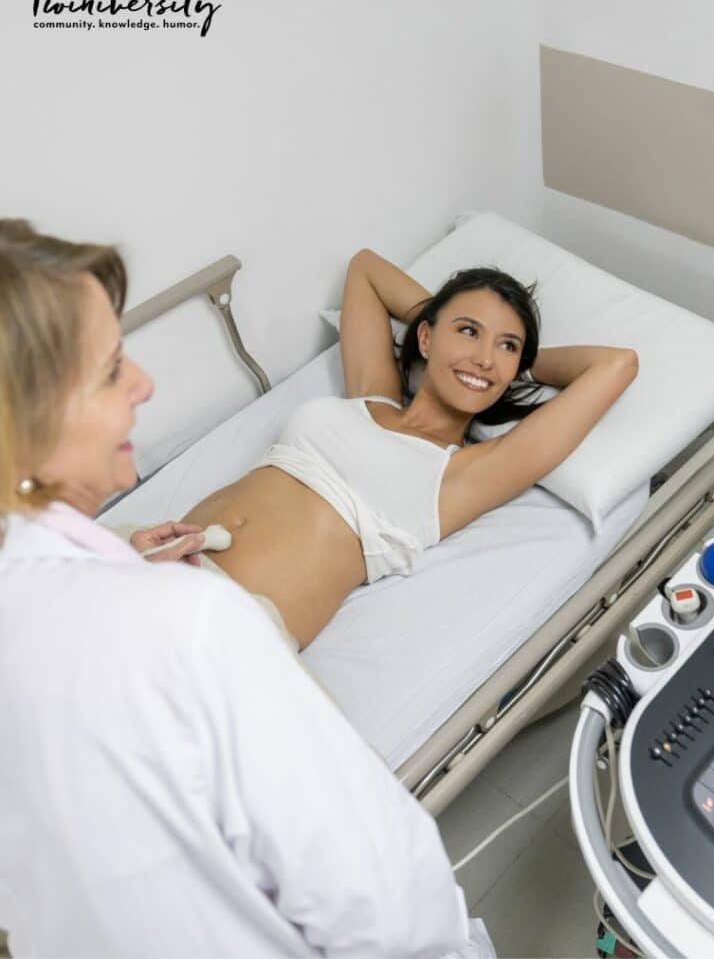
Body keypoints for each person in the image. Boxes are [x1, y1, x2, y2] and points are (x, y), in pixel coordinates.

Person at [0, 220, 495, 957]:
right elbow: (392, 907)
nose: (143, 384)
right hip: (175, 595)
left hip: (203, 596)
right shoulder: (188, 626)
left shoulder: (456, 470)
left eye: (507, 346)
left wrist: (502, 366)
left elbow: (615, 366)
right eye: (109, 370)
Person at [179, 248, 639, 649]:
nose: (485, 357)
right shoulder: (370, 398)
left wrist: (515, 364)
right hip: (158, 562)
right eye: (469, 330)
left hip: (228, 628)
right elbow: (366, 269)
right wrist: (443, 327)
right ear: (424, 337)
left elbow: (617, 365)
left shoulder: (464, 475)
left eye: (507, 344)